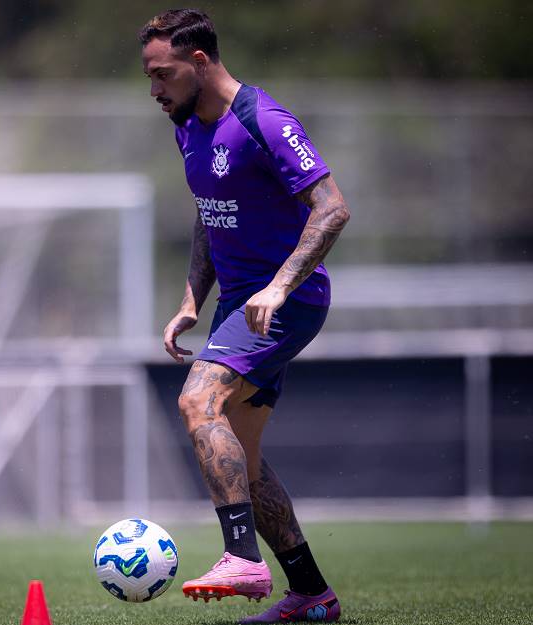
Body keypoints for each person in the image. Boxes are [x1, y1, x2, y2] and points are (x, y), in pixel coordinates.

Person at [139, 9, 351, 624]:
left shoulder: (263, 121)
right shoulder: (186, 125)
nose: (154, 90)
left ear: (199, 61)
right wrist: (190, 300)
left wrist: (281, 286)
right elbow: (210, 212)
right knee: (244, 464)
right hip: (238, 303)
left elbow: (332, 209)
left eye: (162, 75)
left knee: (195, 402)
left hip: (289, 301)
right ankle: (312, 594)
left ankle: (241, 559)